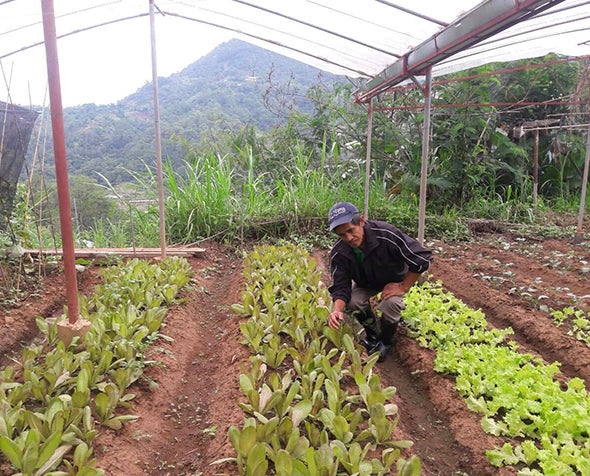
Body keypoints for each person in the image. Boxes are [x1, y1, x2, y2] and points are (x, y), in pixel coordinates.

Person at [327, 201, 432, 361]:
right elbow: (341, 285)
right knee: (353, 302)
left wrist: (403, 286)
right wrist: (337, 310)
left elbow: (421, 258)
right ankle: (372, 333)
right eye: (342, 235)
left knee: (391, 304)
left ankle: (385, 340)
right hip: (366, 283)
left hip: (393, 280)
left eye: (351, 230)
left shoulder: (385, 234)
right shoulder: (339, 253)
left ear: (361, 221)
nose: (348, 238)